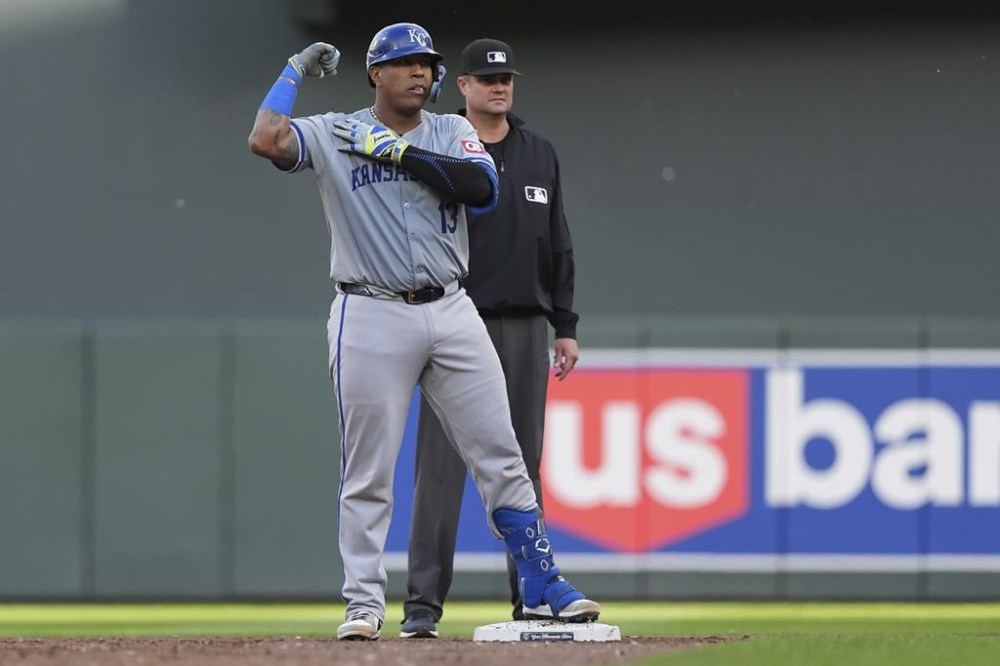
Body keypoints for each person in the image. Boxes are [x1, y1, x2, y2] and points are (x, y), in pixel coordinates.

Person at [247, 23, 599, 642]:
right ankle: (362, 603)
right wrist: (294, 70)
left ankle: (544, 581)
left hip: (452, 306)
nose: (419, 71)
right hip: (371, 308)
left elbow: (481, 188)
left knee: (502, 452)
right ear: (375, 74)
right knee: (369, 470)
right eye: (404, 62)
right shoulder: (334, 131)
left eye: (426, 62)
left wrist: (395, 151)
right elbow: (265, 139)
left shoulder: (451, 130)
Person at [400, 38, 581, 639]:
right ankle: (422, 607)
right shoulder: (440, 142)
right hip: (455, 318)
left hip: (527, 322)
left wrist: (566, 325)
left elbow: (557, 240)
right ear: (464, 87)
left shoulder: (539, 151)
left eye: (505, 78)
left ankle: (531, 595)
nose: (499, 86)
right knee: (441, 467)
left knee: (523, 464)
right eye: (486, 78)